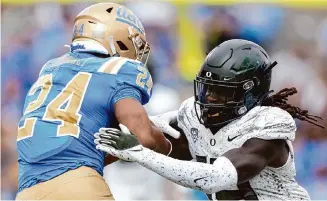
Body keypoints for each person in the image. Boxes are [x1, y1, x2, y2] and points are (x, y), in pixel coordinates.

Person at [95, 39, 325, 200]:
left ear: (249, 92)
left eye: (221, 92)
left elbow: (215, 178)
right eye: (206, 89)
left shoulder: (268, 127)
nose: (209, 99)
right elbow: (143, 128)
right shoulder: (192, 116)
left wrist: (137, 152)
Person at [15, 2, 175, 200]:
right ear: (117, 37)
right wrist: (168, 146)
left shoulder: (50, 70)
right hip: (79, 186)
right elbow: (144, 136)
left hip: (27, 191)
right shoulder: (119, 69)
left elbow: (73, 148)